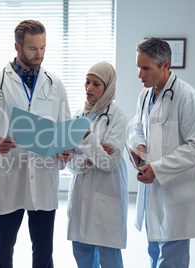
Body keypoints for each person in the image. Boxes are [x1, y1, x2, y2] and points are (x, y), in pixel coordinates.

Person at [0, 20, 71, 268]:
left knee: (43, 251)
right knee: (2, 250)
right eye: (32, 49)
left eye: (43, 48)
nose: (39, 54)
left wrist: (65, 149)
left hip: (43, 175)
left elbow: (64, 126)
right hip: (10, 175)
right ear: (17, 46)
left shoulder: (55, 83)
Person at [128, 37, 195, 267]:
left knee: (172, 260)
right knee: (154, 254)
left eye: (146, 68)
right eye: (138, 67)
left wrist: (158, 168)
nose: (140, 75)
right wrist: (139, 145)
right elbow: (136, 127)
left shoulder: (187, 96)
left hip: (178, 194)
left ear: (165, 65)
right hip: (152, 193)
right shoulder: (145, 96)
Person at [66, 62, 128, 268]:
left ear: (108, 87)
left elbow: (109, 162)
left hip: (106, 192)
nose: (89, 88)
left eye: (96, 84)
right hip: (80, 192)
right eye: (87, 82)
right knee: (81, 253)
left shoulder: (118, 118)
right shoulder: (77, 116)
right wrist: (90, 156)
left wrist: (88, 139)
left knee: (109, 256)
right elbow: (69, 160)